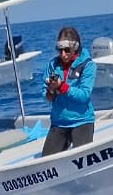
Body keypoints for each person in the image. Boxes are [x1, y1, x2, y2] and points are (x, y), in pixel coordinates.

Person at [41, 26, 96, 156]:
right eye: (60, 50)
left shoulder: (88, 65)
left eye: (67, 50)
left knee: (82, 158)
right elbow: (46, 96)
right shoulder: (53, 65)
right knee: (46, 161)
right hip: (59, 122)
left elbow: (84, 95)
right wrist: (50, 90)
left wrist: (62, 87)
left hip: (82, 121)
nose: (63, 54)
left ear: (75, 48)